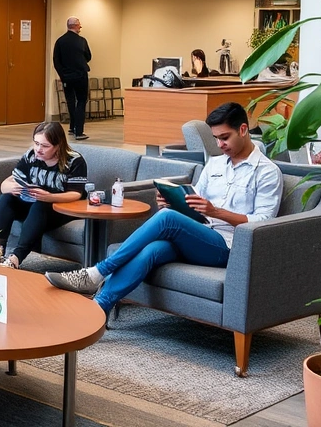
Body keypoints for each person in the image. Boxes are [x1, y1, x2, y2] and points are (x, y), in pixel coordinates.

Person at [46, 102, 282, 314]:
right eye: (216, 138)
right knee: (154, 250)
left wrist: (215, 212)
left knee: (167, 218)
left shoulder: (267, 172)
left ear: (243, 130)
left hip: (229, 247)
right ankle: (99, 308)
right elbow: (197, 202)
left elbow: (262, 223)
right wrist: (177, 202)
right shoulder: (216, 164)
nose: (220, 144)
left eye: (225, 137)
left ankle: (96, 273)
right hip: (200, 236)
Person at [0, 121, 87, 269]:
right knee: (7, 198)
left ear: (58, 145)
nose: (38, 149)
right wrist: (11, 188)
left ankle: (16, 257)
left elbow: (75, 194)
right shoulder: (31, 155)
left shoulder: (74, 161)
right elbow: (7, 183)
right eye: (36, 143)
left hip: (60, 207)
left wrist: (49, 197)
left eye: (45, 146)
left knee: (41, 206)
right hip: (34, 201)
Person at [53, 16, 92, 140]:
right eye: (79, 24)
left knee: (70, 100)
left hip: (67, 77)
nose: (80, 27)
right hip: (80, 75)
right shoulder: (82, 41)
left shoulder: (60, 41)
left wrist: (62, 75)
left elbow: (56, 61)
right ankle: (79, 131)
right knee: (81, 101)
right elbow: (88, 56)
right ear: (75, 26)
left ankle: (72, 126)